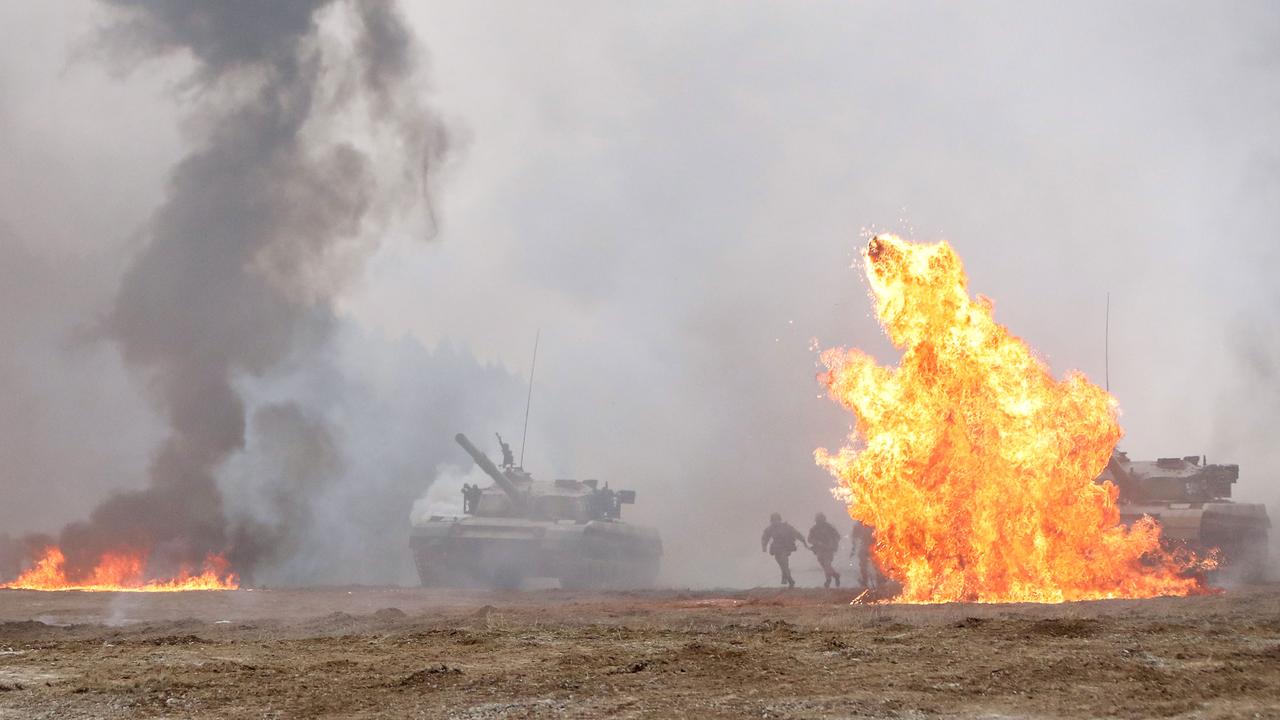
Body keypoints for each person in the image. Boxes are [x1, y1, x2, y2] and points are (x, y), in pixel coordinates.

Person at [761, 513, 808, 588]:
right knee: (781, 565)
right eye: (773, 520)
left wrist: (803, 541)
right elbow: (765, 537)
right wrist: (764, 546)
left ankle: (790, 581)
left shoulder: (786, 527)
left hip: (785, 548)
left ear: (780, 519)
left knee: (784, 564)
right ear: (771, 521)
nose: (775, 521)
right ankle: (789, 579)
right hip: (776, 549)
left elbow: (796, 533)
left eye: (776, 520)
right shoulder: (770, 528)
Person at [807, 513, 842, 588]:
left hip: (829, 549)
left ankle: (828, 580)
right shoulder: (814, 529)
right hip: (820, 550)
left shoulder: (829, 527)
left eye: (821, 520)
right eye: (818, 520)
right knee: (824, 565)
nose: (819, 521)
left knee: (827, 564)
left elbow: (837, 536)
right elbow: (809, 539)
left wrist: (832, 543)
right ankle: (835, 575)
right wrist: (817, 542)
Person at [850, 519, 877, 589]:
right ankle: (865, 581)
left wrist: (853, 549)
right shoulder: (859, 525)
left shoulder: (874, 523)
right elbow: (854, 537)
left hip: (873, 546)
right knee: (863, 565)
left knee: (876, 565)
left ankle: (880, 580)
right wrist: (853, 549)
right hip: (866, 546)